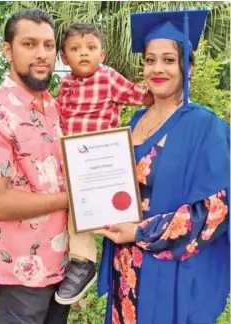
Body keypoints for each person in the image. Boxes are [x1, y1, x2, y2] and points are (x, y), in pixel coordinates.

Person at [96, 9, 230, 324]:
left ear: (188, 67)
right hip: (125, 263)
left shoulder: (206, 126)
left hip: (170, 270)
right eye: (150, 59)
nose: (157, 68)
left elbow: (218, 207)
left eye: (169, 60)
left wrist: (141, 231)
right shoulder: (136, 120)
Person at [0, 9, 71, 324]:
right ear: (7, 50)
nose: (42, 54)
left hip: (63, 264)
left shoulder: (50, 106)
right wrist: (74, 198)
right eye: (29, 44)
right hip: (22, 273)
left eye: (48, 45)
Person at [55, 23, 154, 305]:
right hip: (74, 159)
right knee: (72, 207)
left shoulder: (108, 77)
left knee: (106, 208)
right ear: (64, 58)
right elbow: (57, 118)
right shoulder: (65, 86)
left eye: (91, 48)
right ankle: (75, 259)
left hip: (104, 158)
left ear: (103, 54)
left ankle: (99, 261)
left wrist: (162, 86)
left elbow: (139, 96)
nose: (83, 54)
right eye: (75, 49)